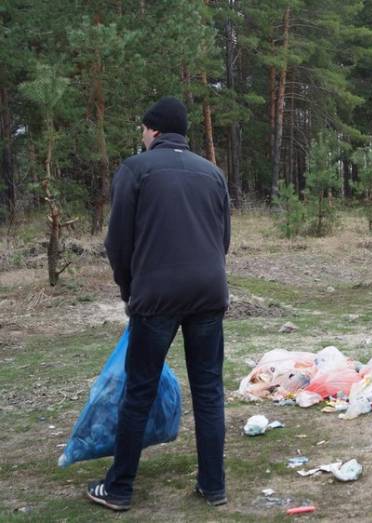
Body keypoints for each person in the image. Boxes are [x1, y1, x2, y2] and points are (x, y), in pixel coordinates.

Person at [89, 97, 231, 511]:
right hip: (208, 294)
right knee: (208, 391)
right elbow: (222, 240)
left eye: (142, 130)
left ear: (152, 130)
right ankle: (213, 486)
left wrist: (128, 289)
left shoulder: (135, 169)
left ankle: (118, 489)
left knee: (138, 392)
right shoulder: (213, 173)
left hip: (156, 296)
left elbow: (118, 242)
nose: (142, 136)